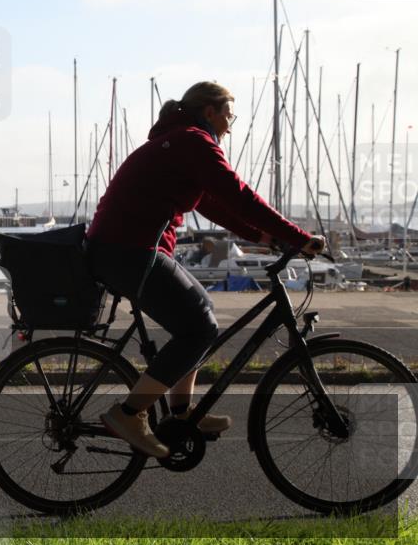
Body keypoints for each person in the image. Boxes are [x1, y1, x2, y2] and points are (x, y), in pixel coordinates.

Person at [87, 81, 325, 458]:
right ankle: (129, 413)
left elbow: (211, 203)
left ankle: (183, 414)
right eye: (229, 115)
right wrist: (296, 235)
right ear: (210, 111)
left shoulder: (179, 140)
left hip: (123, 249)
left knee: (200, 319)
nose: (231, 125)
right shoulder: (194, 141)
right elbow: (238, 193)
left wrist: (263, 236)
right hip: (129, 251)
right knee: (200, 327)